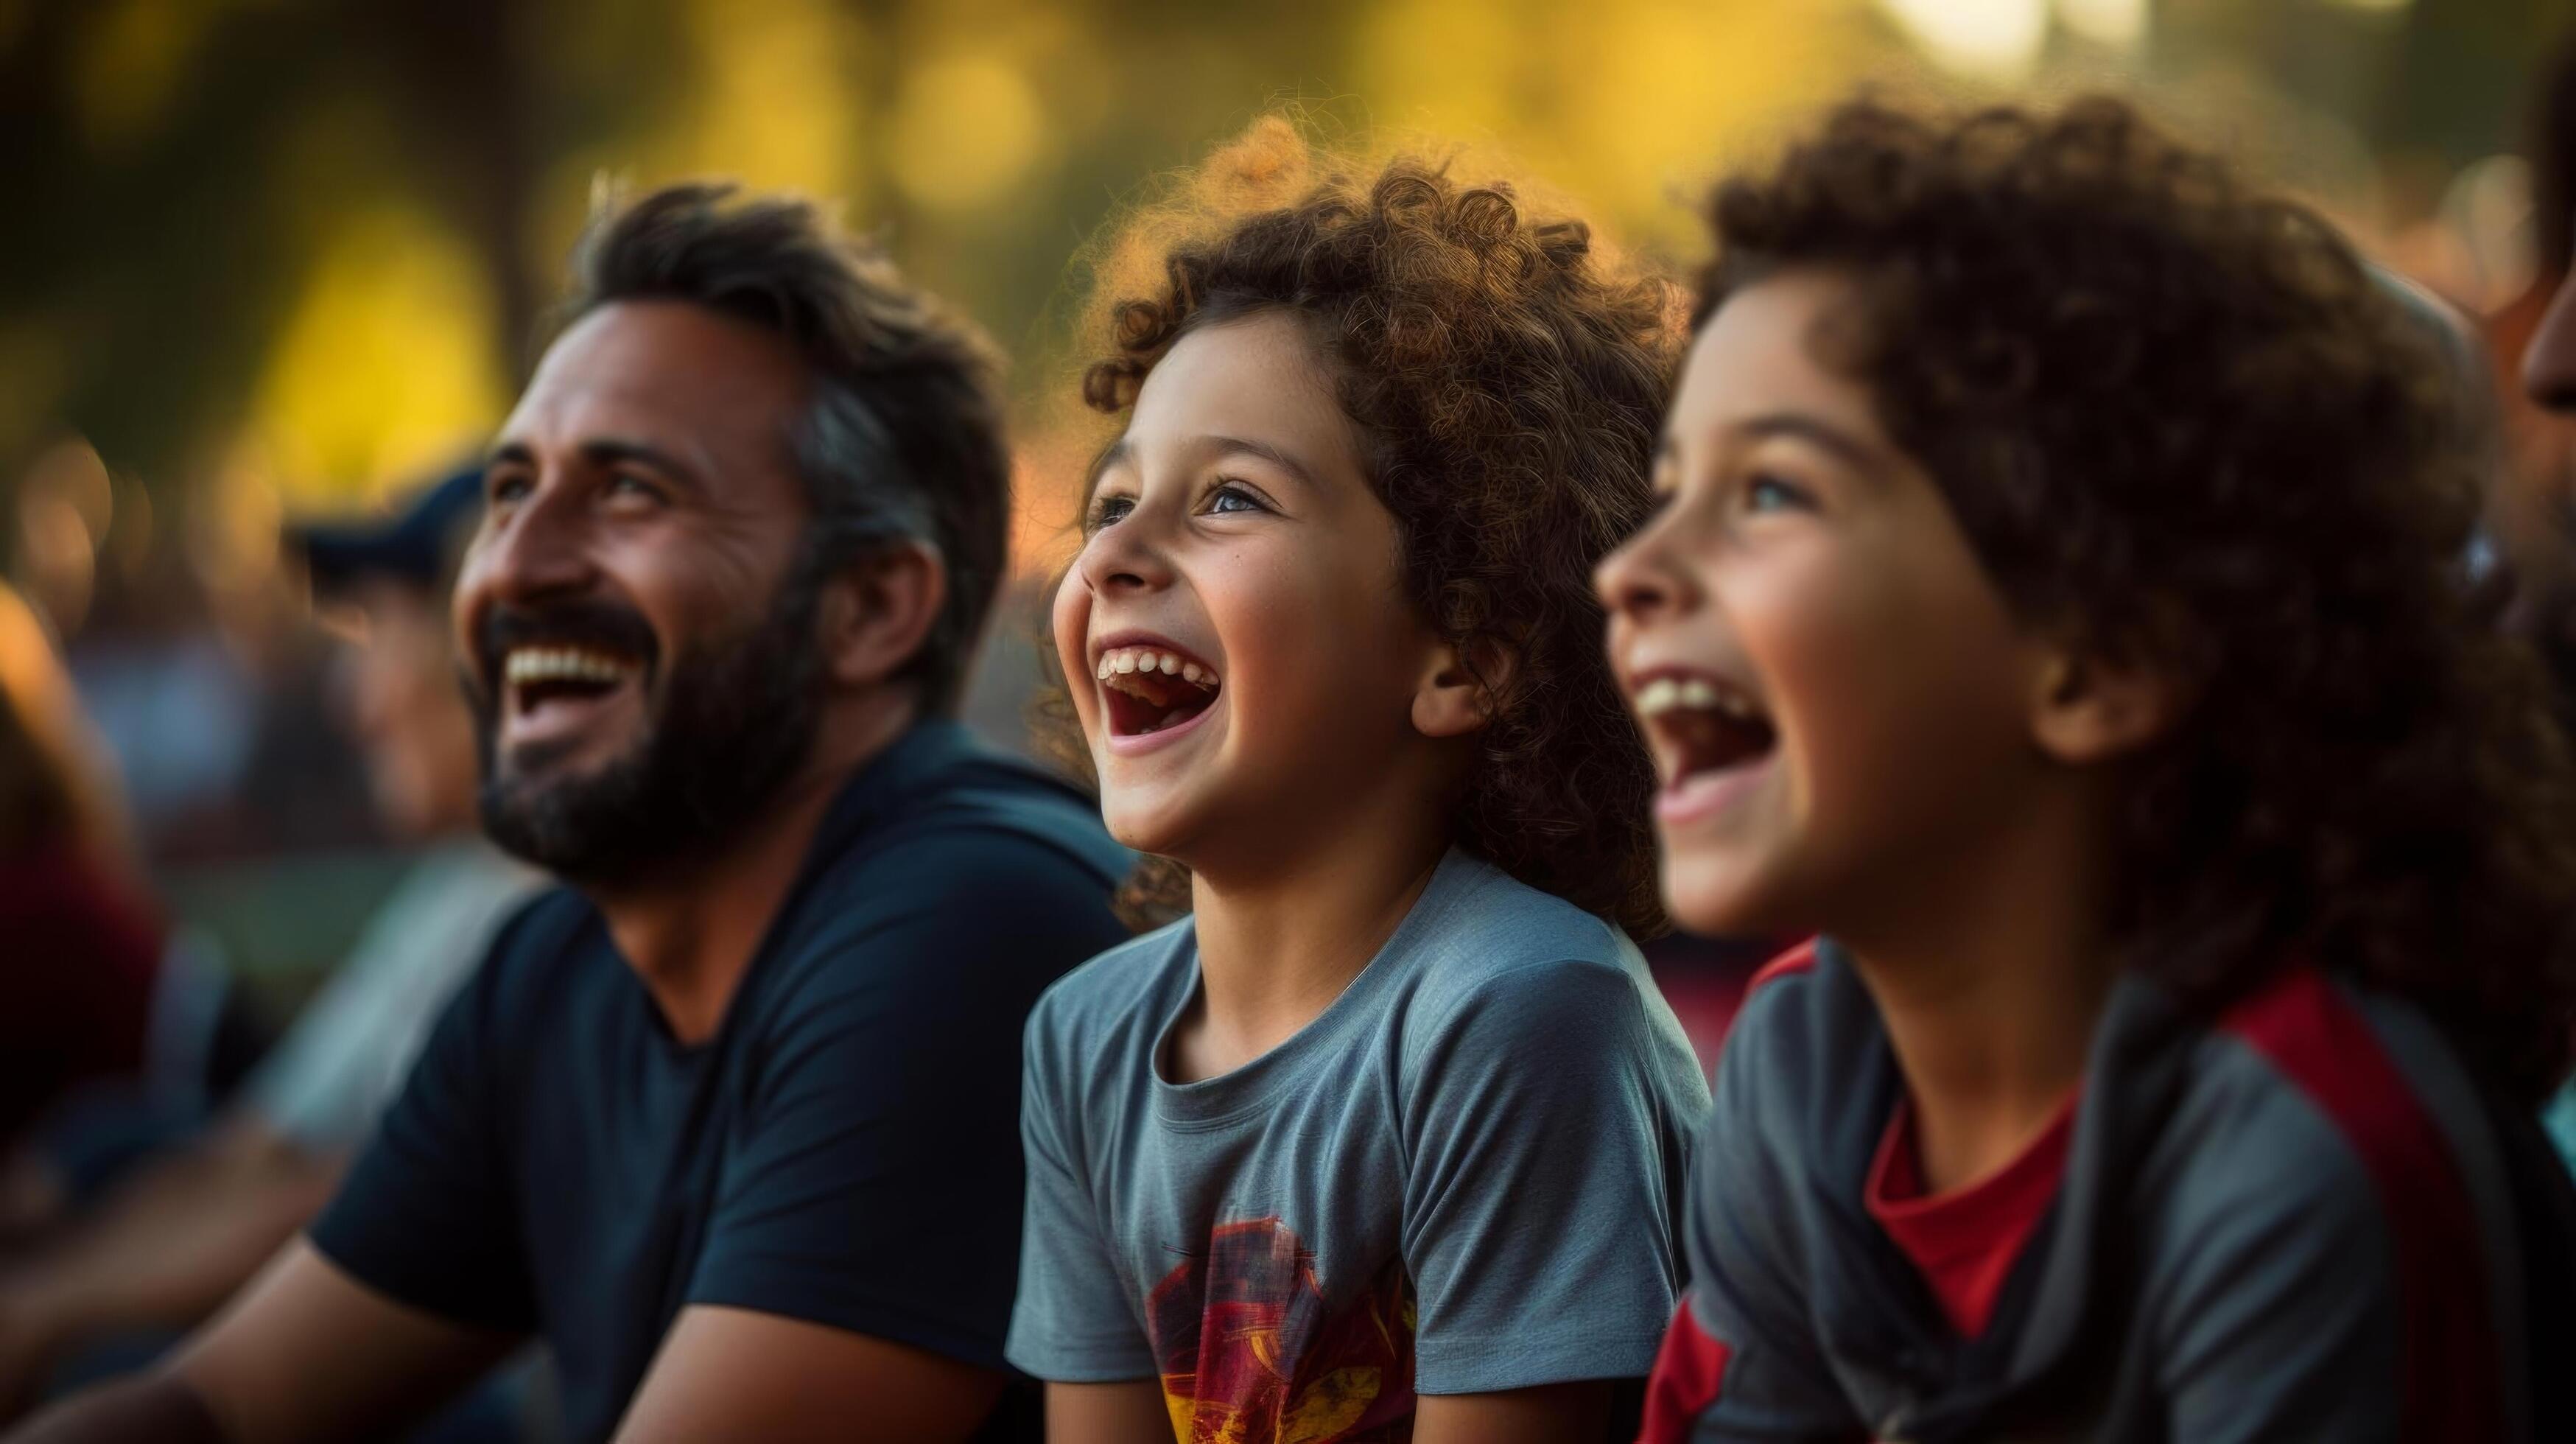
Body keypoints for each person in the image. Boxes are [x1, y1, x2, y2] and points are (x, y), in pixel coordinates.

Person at [8, 180, 1131, 1444]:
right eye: (508, 492)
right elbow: (215, 1403)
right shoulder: (555, 971)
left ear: (870, 609)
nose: (510, 569)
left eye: (630, 492)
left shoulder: (970, 932)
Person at [1604, 95, 2576, 1442]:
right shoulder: (1802, 1059)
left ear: (2099, 660)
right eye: (1666, 492)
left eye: (1770, 491)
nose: (1628, 572)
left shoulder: (2304, 1153)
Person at [1006, 118, 1711, 1444]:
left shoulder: (1524, 1016)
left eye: (1229, 501)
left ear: (1465, 658)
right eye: (1111, 506)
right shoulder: (1084, 1040)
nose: (1116, 558)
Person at [0, 469, 538, 1423]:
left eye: (384, 627)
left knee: (115, 1360)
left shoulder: (540, 910)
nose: (353, 697)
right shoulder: (456, 890)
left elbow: (330, 1195)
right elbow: (250, 1158)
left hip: (490, 1393)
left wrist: (50, 1310)